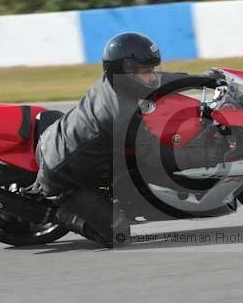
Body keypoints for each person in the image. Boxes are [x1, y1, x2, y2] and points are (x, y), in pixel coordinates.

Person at [33, 31, 225, 247]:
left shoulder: (116, 82)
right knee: (119, 235)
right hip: (62, 178)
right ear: (126, 72)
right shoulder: (122, 114)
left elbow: (162, 80)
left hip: (67, 144)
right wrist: (209, 155)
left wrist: (205, 79)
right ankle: (58, 212)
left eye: (152, 70)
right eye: (146, 72)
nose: (152, 76)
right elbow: (156, 159)